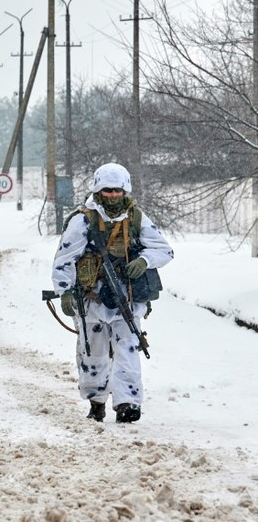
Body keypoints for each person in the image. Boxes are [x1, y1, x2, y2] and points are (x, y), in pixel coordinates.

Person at [52, 163, 173, 423]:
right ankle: (96, 402)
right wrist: (64, 291)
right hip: (92, 300)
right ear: (98, 191)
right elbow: (65, 258)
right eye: (108, 191)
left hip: (125, 300)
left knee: (128, 351)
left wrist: (144, 261)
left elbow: (164, 250)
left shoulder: (136, 217)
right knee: (92, 353)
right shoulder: (83, 219)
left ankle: (127, 403)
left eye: (118, 190)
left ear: (125, 190)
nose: (113, 196)